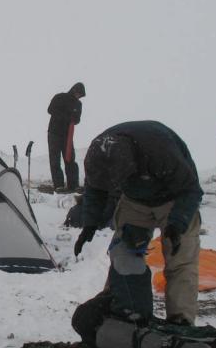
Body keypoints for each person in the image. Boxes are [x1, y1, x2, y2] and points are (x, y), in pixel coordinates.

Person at [73, 121, 203, 325]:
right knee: (123, 254)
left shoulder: (160, 150)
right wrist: (89, 224)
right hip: (134, 201)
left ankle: (181, 323)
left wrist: (177, 224)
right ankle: (117, 311)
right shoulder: (97, 155)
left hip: (174, 198)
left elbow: (191, 190)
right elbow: (95, 189)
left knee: (180, 259)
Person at [46, 82, 85, 192]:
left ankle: (73, 185)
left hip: (67, 135)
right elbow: (50, 110)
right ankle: (59, 185)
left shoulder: (78, 104)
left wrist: (73, 118)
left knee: (70, 159)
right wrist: (66, 116)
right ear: (74, 90)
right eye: (78, 93)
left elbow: (77, 120)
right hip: (54, 133)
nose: (79, 96)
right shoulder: (59, 97)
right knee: (55, 160)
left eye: (81, 95)